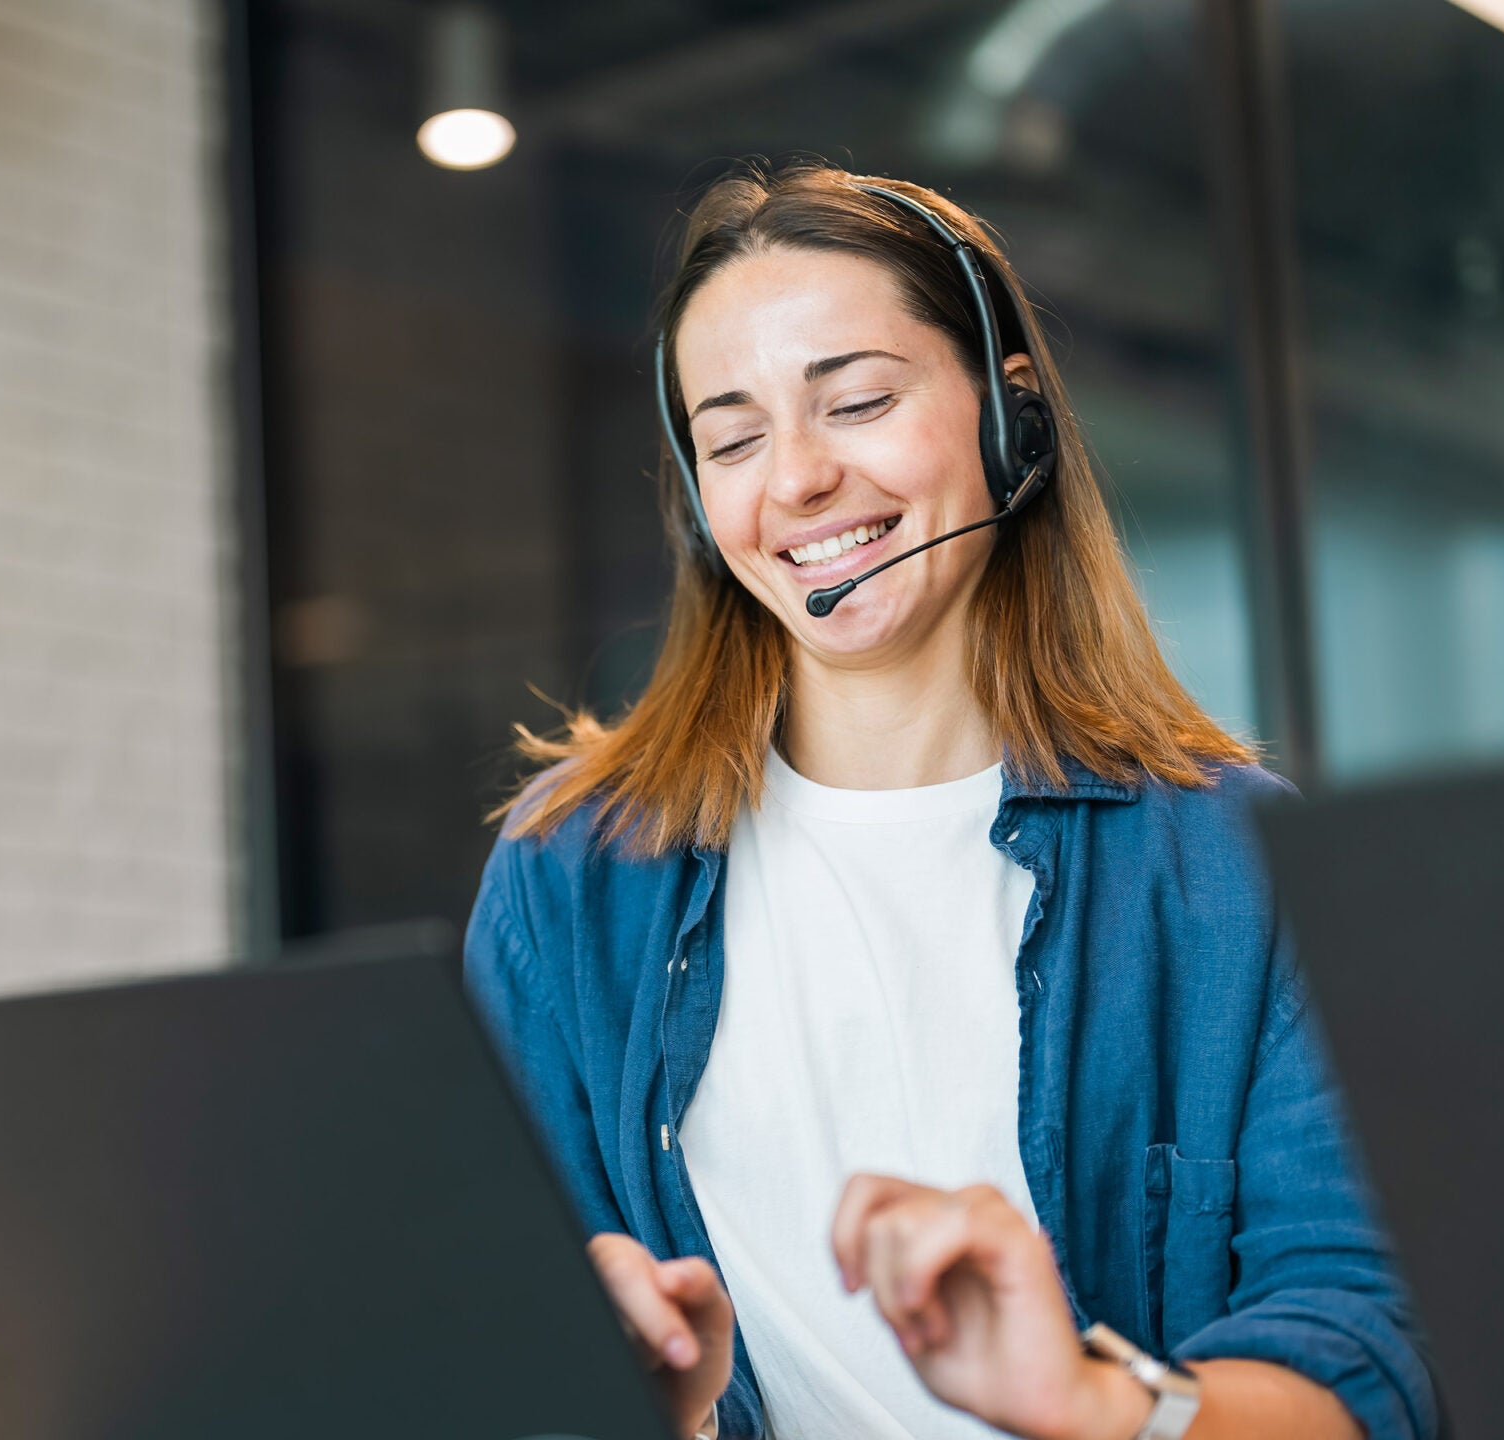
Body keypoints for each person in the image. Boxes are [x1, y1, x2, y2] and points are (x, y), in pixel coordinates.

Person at [463, 161, 1440, 1440]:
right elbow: (471, 1344)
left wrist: (1099, 1406)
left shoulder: (1231, 868)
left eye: (857, 401)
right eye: (734, 438)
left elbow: (1369, 1355)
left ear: (1009, 418)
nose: (796, 479)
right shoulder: (577, 874)